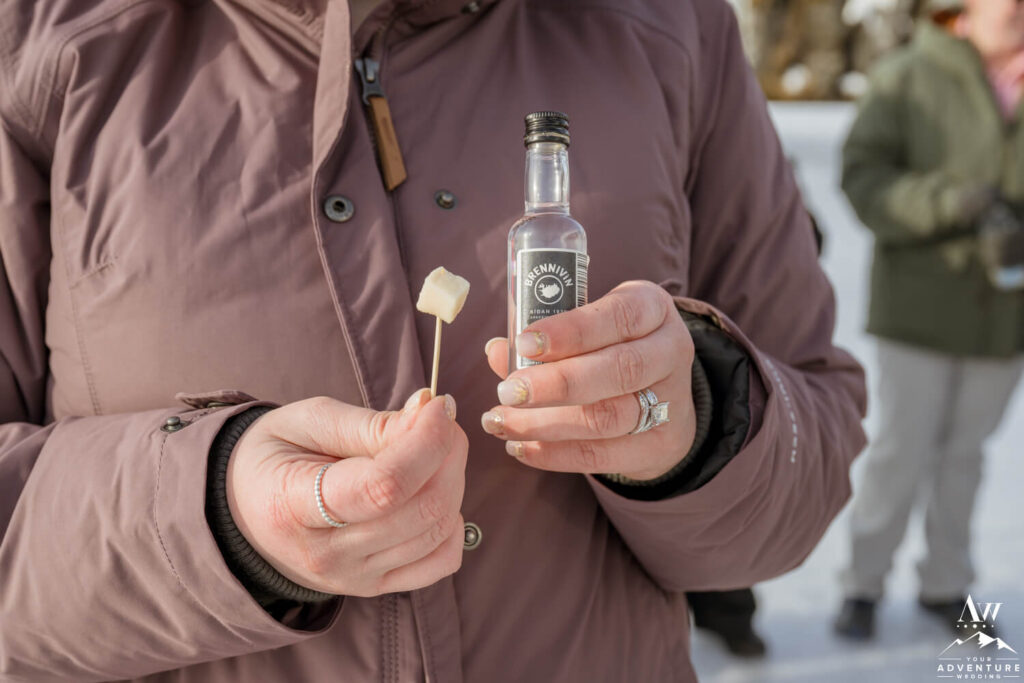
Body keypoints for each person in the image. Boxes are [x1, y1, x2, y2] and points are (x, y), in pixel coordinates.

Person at [0, 0, 867, 680]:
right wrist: (211, 518)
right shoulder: (39, 36)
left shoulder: (671, 25)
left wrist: (701, 423)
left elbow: (814, 447)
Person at [836, 0, 1024, 640]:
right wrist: (952, 203)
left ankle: (947, 586)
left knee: (966, 457)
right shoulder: (907, 74)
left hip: (1006, 315)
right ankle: (862, 585)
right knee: (902, 452)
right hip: (919, 308)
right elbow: (863, 178)